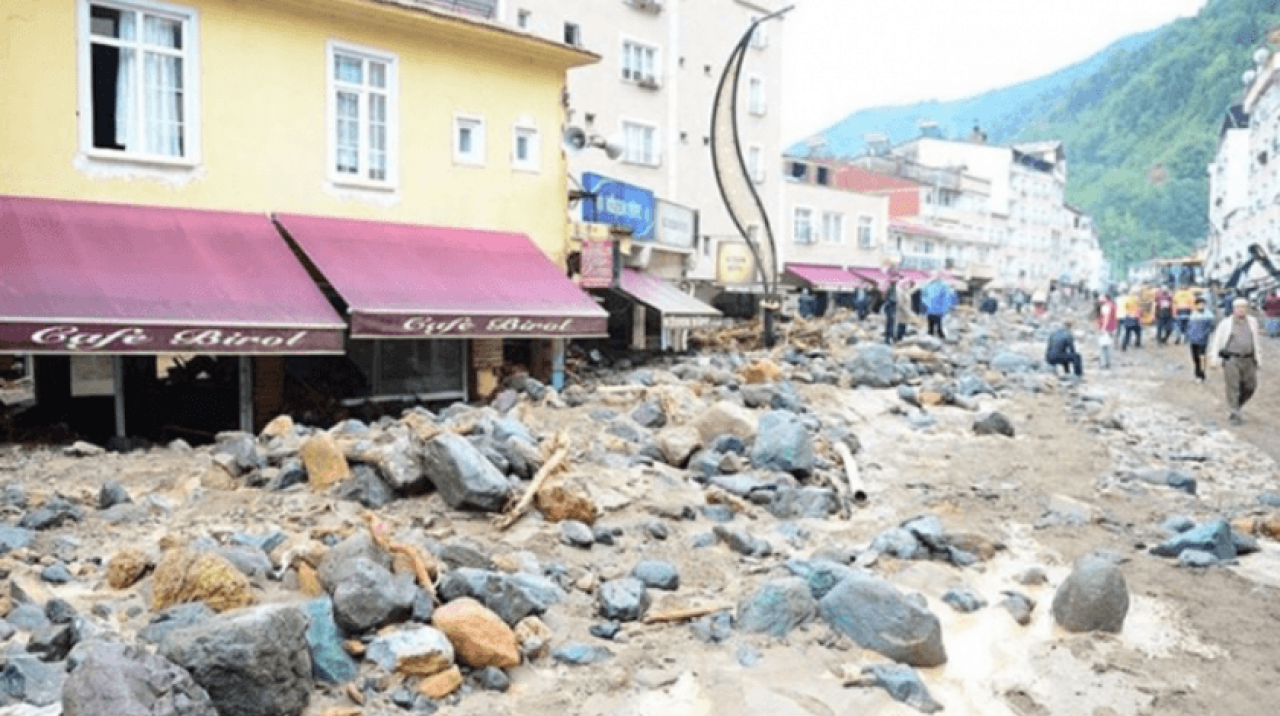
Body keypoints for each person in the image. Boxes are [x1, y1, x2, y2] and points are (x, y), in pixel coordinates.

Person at [1209, 297, 1263, 425]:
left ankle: (1237, 405)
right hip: (1232, 359)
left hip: (1249, 358)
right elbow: (1217, 341)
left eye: (1244, 307)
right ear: (1234, 309)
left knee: (1251, 386)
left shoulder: (1252, 322)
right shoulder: (1226, 323)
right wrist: (1214, 358)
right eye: (1238, 308)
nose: (1241, 310)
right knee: (1233, 386)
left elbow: (1256, 341)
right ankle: (1234, 412)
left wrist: (1258, 358)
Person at [1185, 296, 1215, 383]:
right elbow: (1188, 327)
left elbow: (1210, 328)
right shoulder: (1192, 315)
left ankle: (1201, 375)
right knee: (1195, 358)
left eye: (1202, 304)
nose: (1201, 305)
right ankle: (1197, 373)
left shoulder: (1209, 316)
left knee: (1202, 357)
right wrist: (1188, 336)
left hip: (1202, 341)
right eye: (1199, 304)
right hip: (1193, 340)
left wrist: (1204, 335)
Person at [1096, 295, 1118, 369]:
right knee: (1108, 346)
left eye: (1101, 298)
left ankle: (1104, 363)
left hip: (1106, 329)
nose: (1099, 299)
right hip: (1112, 328)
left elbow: (1106, 318)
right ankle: (1107, 362)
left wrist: (1103, 328)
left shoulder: (1106, 307)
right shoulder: (1113, 305)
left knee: (1103, 346)